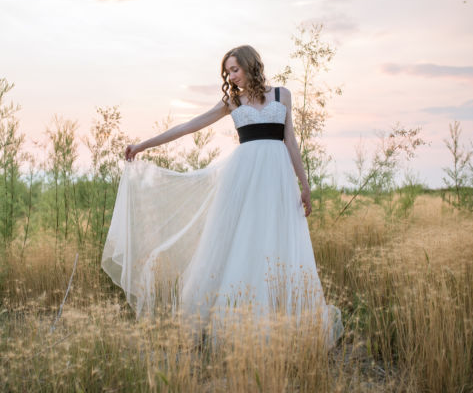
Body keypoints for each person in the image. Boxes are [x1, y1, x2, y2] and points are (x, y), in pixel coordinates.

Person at [101, 45, 344, 348]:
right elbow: (189, 126)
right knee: (244, 241)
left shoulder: (283, 95)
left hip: (278, 180)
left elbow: (290, 141)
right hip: (244, 180)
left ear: (250, 65)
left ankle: (283, 322)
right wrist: (142, 145)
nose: (231, 76)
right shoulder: (232, 101)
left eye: (235, 69)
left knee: (279, 241)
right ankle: (240, 322)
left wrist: (304, 185)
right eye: (228, 71)